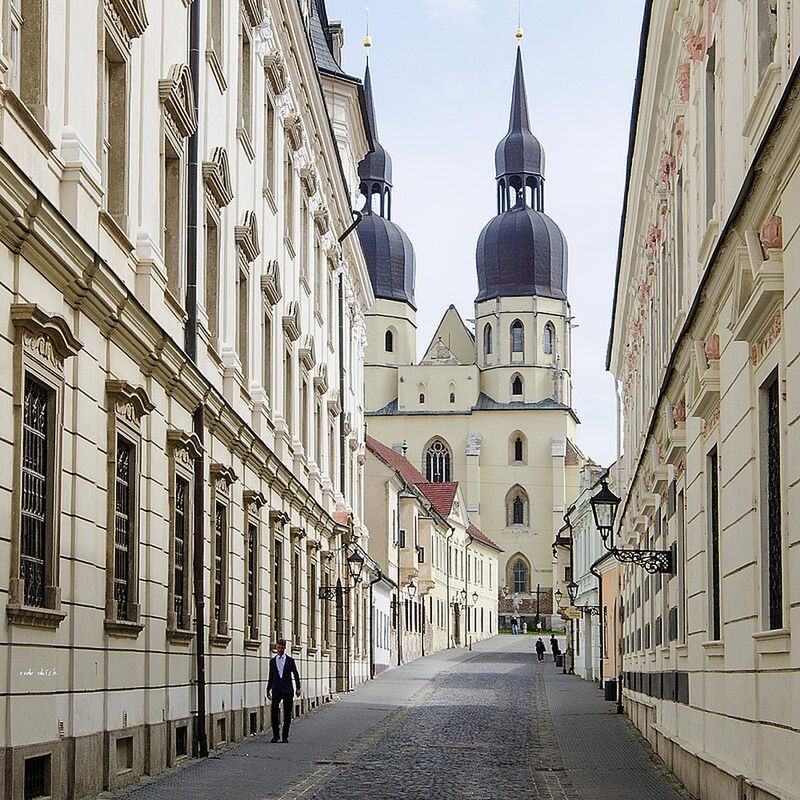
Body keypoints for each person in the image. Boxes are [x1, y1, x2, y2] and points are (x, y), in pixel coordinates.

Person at [267, 639, 301, 743]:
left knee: (287, 714)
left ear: (285, 648)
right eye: (278, 647)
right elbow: (271, 676)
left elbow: (295, 674)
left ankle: (285, 736)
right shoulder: (272, 661)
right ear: (276, 647)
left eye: (281, 648)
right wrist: (268, 689)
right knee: (274, 712)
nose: (280, 649)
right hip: (276, 689)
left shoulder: (290, 661)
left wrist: (298, 688)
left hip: (287, 690)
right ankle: (276, 735)